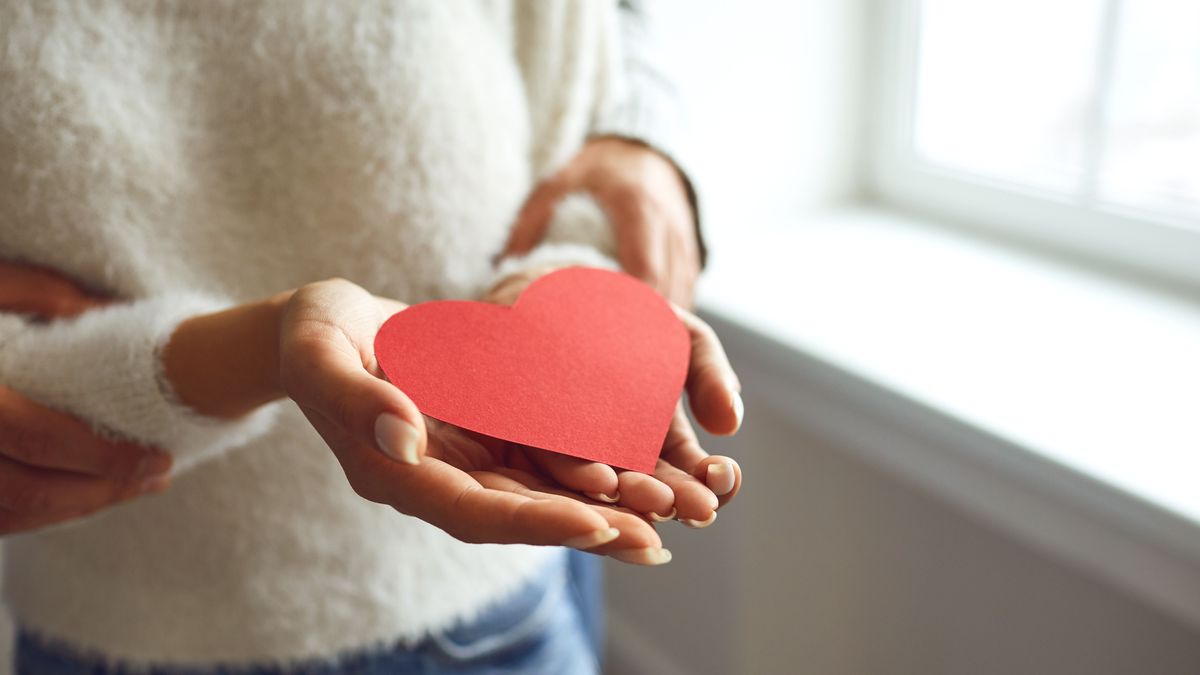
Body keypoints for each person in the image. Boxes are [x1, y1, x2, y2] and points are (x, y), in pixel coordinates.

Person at [0, 2, 743, 673]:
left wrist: (583, 284)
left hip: (500, 610)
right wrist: (270, 347)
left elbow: (580, 123)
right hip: (109, 623)